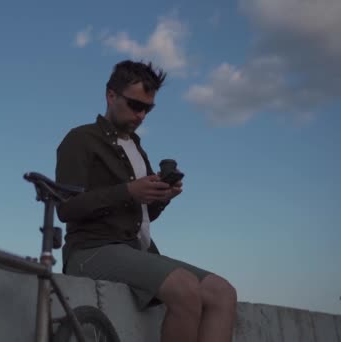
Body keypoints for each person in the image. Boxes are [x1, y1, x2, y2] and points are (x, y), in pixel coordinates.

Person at [55, 60, 237, 342]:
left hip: (137, 252)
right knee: (184, 288)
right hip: (90, 250)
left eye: (148, 109)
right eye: (135, 105)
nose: (141, 116)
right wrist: (128, 191)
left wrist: (161, 197)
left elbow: (140, 215)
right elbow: (66, 208)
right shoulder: (80, 139)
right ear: (111, 95)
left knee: (223, 292)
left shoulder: (137, 148)